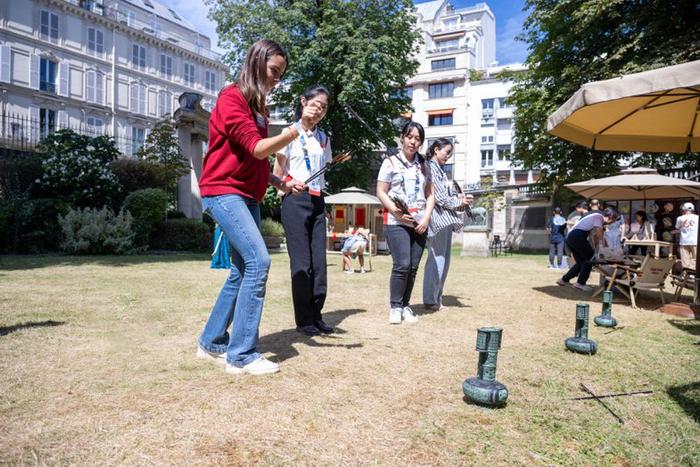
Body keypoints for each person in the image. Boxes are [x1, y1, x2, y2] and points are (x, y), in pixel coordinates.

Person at [196, 39, 320, 376]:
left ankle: (212, 341)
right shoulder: (231, 98)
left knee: (241, 270)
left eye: (281, 75)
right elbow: (257, 148)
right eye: (274, 72)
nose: (276, 80)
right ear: (256, 62)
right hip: (223, 192)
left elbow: (257, 163)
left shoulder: (258, 108)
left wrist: (281, 183)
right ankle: (242, 355)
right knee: (258, 260)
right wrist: (298, 128)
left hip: (247, 195)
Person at [273, 84, 334, 336]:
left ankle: (317, 315)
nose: (319, 109)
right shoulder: (288, 133)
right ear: (303, 101)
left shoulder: (324, 138)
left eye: (324, 107)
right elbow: (277, 175)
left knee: (319, 264)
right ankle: (304, 320)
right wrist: (287, 186)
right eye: (316, 103)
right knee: (302, 264)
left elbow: (324, 173)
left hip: (318, 201)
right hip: (294, 201)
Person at [376, 121, 434, 324]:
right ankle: (395, 306)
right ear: (402, 137)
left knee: (413, 267)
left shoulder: (425, 164)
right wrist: (397, 212)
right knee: (402, 264)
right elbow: (381, 192)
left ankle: (406, 305)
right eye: (410, 137)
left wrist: (426, 218)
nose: (413, 142)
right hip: (396, 221)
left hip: (420, 222)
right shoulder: (390, 162)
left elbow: (430, 195)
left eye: (418, 138)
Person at [422, 138, 471, 310]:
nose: (448, 156)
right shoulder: (431, 168)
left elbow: (444, 196)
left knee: (441, 259)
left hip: (443, 220)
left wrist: (460, 199)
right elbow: (440, 198)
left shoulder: (438, 170)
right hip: (438, 220)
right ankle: (431, 299)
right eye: (447, 152)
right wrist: (460, 202)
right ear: (436, 149)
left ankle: (435, 298)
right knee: (438, 259)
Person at [557, 207, 619, 291]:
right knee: (590, 258)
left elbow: (594, 237)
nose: (612, 223)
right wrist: (601, 249)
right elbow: (598, 235)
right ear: (611, 217)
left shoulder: (594, 218)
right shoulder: (599, 217)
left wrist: (598, 249)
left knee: (580, 262)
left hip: (571, 237)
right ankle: (580, 283)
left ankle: (563, 280)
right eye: (614, 220)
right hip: (577, 236)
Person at [673, 202, 698, 270]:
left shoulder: (680, 218)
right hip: (695, 241)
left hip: (684, 241)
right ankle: (693, 273)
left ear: (683, 209)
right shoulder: (697, 217)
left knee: (685, 259)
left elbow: (677, 228)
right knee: (695, 258)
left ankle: (686, 274)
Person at [565, 201, 588, 266]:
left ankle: (576, 266)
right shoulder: (574, 214)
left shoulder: (585, 215)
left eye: (577, 208)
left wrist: (571, 223)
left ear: (580, 207)